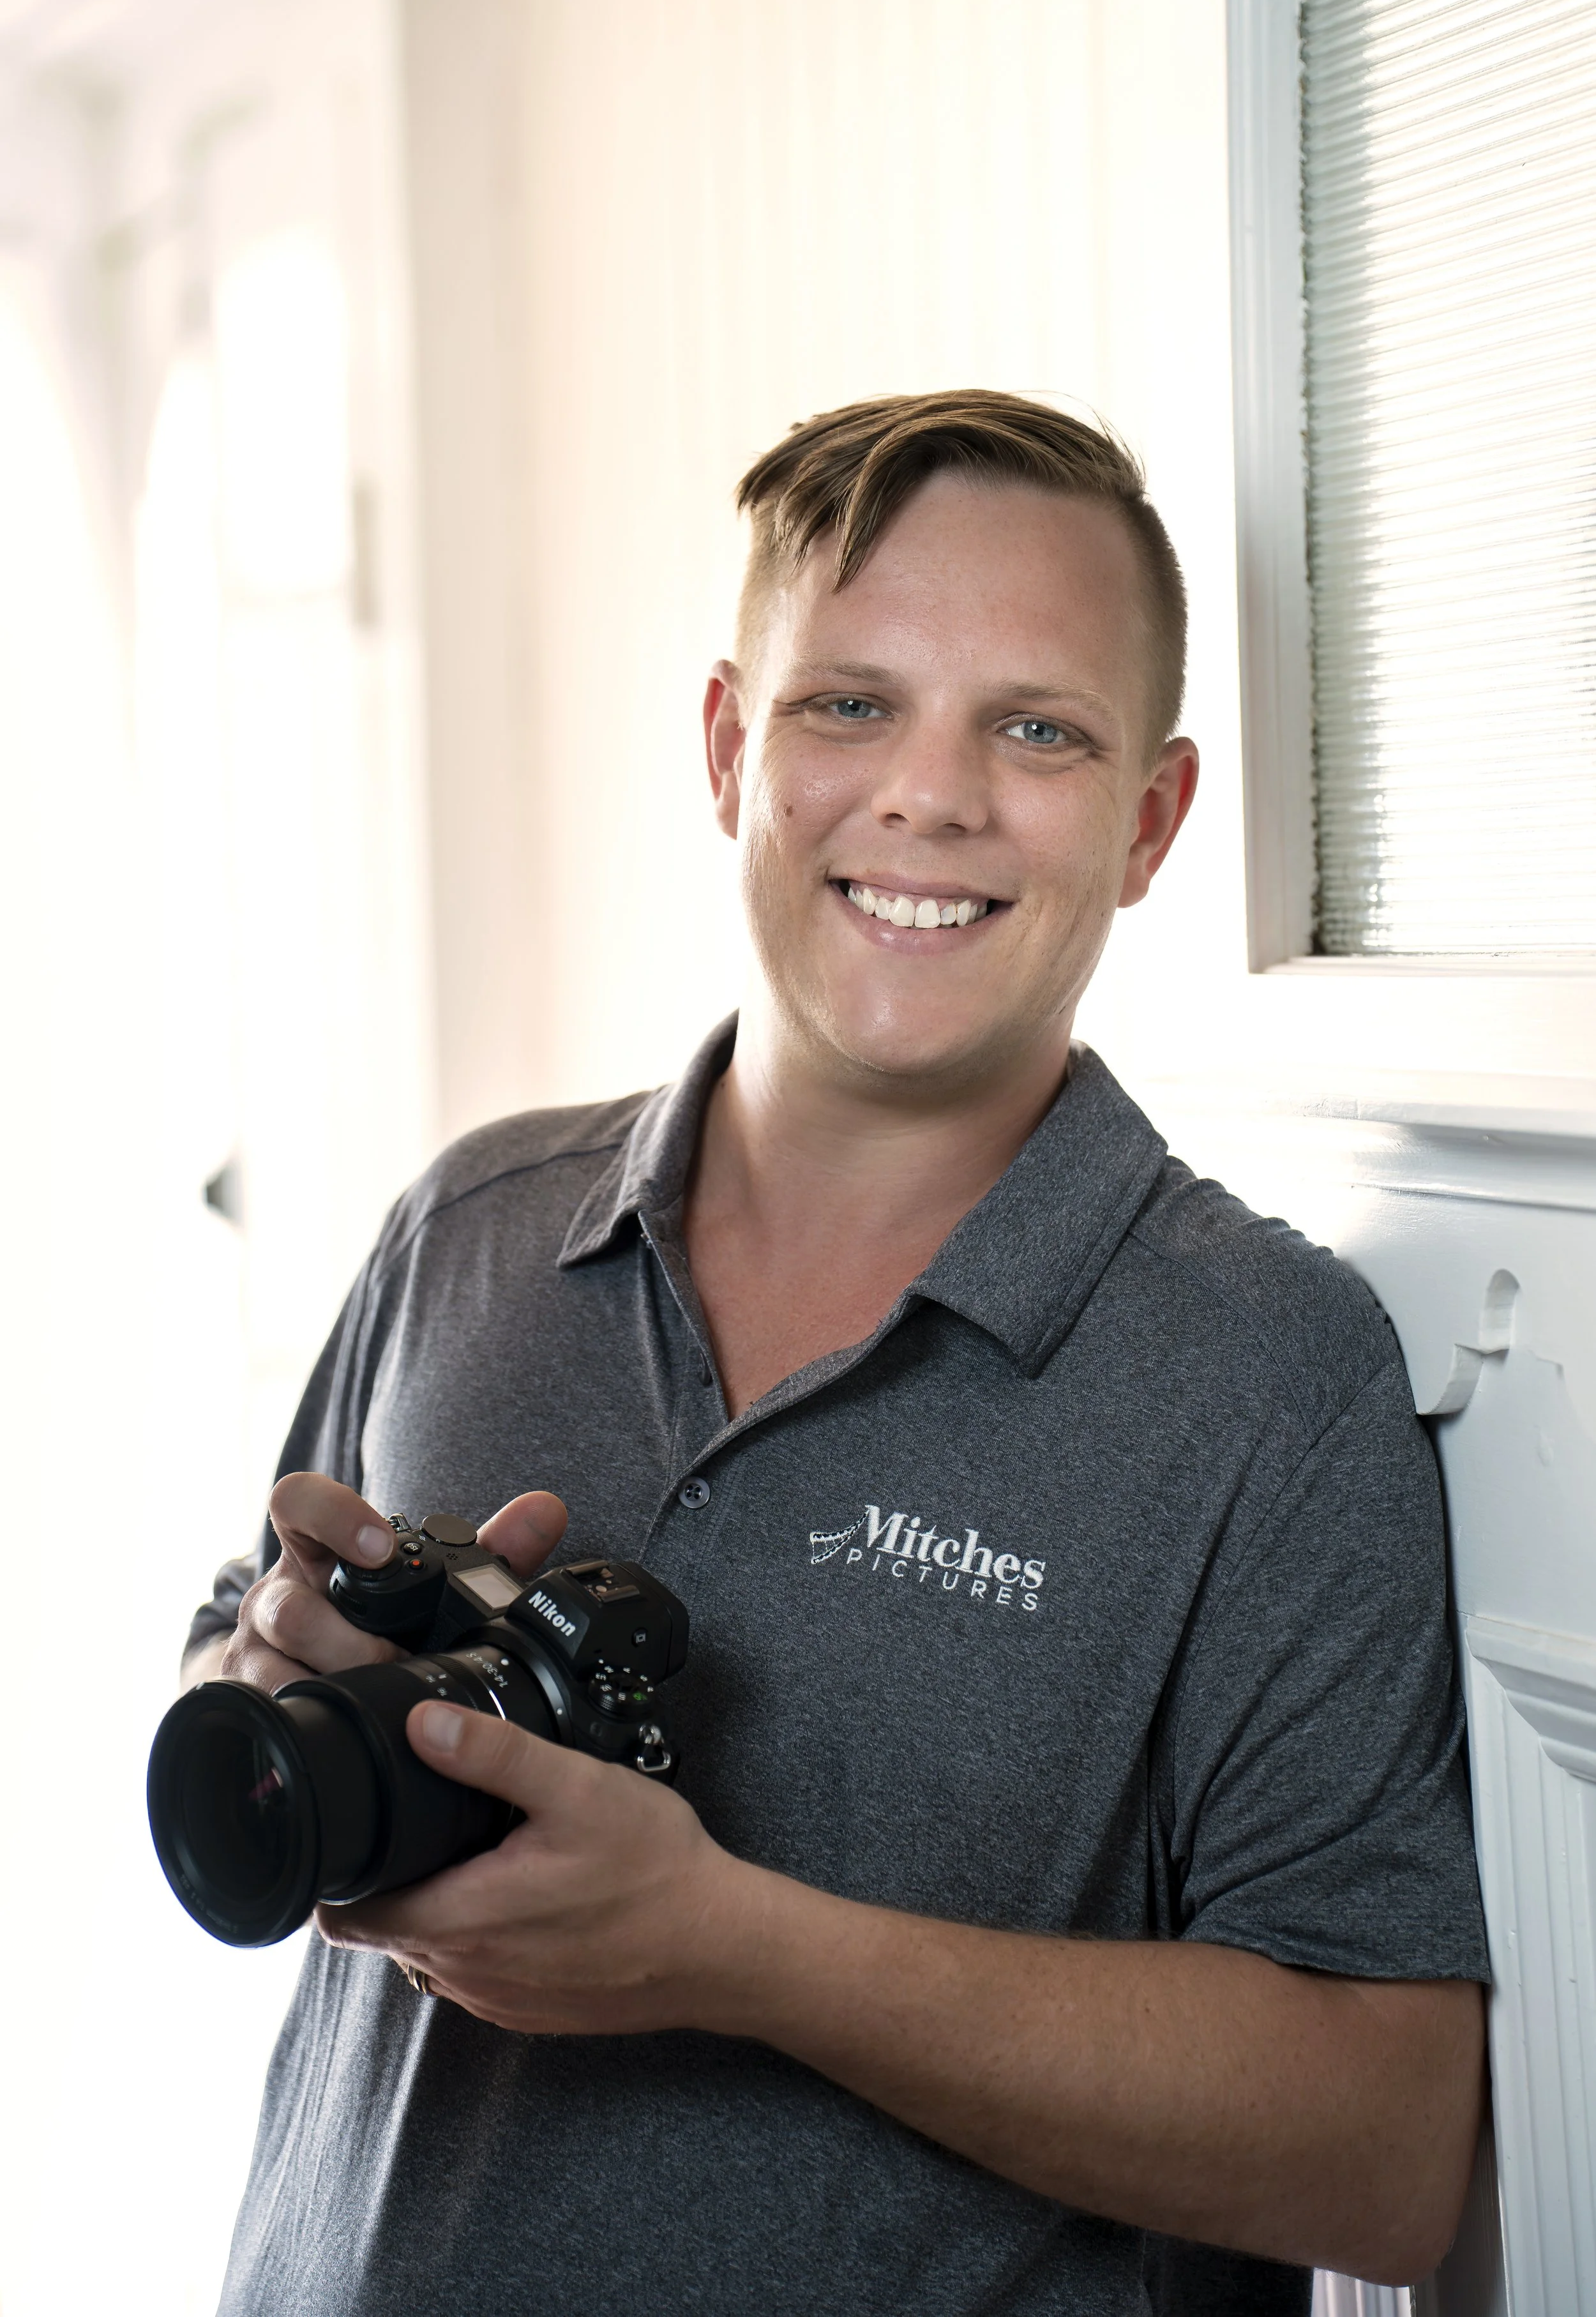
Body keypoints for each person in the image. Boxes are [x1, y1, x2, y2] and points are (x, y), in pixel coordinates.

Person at [185, 391, 1488, 2317]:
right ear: (732, 748)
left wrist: (736, 1951)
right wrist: (282, 1673)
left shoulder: (1271, 1375)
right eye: (849, 704)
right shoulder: (471, 1224)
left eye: (1037, 731)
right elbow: (231, 1663)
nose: (930, 797)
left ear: (1150, 821)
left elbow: (1379, 2149)